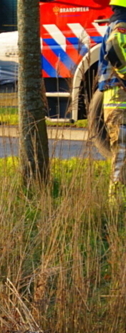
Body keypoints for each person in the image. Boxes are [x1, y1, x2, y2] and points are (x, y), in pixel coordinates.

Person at [99, 0, 126, 197]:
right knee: (123, 149)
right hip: (119, 95)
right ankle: (116, 203)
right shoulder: (122, 23)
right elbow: (115, 47)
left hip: (119, 93)